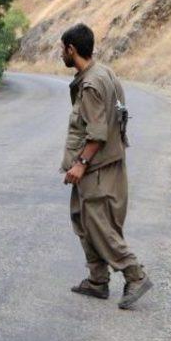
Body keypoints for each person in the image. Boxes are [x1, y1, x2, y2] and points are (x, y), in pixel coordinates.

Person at [60, 23, 152, 309]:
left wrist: (81, 164)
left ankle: (134, 274)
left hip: (96, 166)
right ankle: (98, 280)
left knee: (99, 225)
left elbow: (97, 132)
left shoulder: (91, 83)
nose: (61, 54)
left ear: (72, 49)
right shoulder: (105, 72)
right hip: (106, 161)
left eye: (62, 49)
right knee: (82, 218)